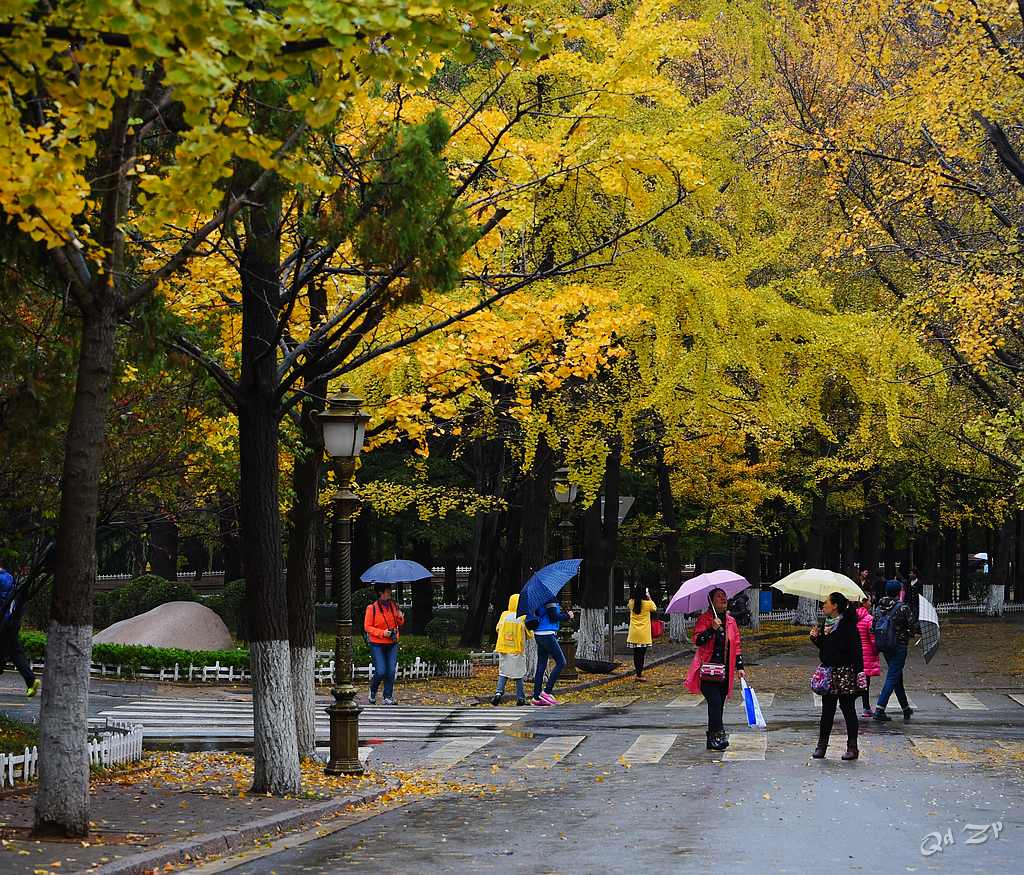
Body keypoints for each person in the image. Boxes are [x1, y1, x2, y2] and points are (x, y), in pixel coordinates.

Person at [685, 588, 744, 751]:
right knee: (715, 702)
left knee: (718, 705)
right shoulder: (705, 619)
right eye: (719, 597)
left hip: (724, 672)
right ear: (711, 601)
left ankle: (712, 739)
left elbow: (736, 645)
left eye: (724, 596)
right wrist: (711, 628)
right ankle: (719, 735)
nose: (723, 599)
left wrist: (740, 667)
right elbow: (697, 640)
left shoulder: (731, 621)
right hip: (707, 671)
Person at [810, 592, 864, 760]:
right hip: (829, 674)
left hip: (845, 673)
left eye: (826, 603)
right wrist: (816, 639)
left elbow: (857, 651)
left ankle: (852, 747)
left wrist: (859, 674)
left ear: (835, 606)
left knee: (848, 710)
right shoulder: (826, 624)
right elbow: (826, 651)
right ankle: (822, 745)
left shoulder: (847, 626)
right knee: (827, 711)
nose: (823, 605)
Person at [872, 579, 919, 721]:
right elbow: (912, 627)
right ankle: (879, 709)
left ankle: (905, 708)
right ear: (899, 592)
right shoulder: (903, 608)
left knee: (896, 677)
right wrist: (911, 633)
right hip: (899, 645)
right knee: (893, 676)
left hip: (885, 645)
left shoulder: (878, 608)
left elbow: (873, 627)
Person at [0, 561, 40, 697]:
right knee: (14, 652)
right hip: (12, 622)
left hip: (3, 623)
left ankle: (31, 680)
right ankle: (31, 681)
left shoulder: (1, 579)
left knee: (14, 653)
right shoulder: (10, 578)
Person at [363, 583, 405, 705]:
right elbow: (367, 627)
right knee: (381, 671)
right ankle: (373, 690)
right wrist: (382, 633)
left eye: (390, 590)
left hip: (392, 643)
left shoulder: (393, 606)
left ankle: (388, 696)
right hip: (377, 643)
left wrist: (400, 617)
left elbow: (399, 622)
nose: (390, 593)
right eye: (387, 591)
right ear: (380, 592)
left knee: (391, 671)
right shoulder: (372, 608)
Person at [528, 598, 572, 706]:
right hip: (547, 633)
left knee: (541, 665)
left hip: (539, 633)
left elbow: (546, 613)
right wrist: (567, 616)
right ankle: (547, 691)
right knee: (561, 662)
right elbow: (553, 617)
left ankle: (536, 696)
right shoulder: (549, 598)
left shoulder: (538, 599)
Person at [492, 593, 530, 706]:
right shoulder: (522, 617)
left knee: (503, 672)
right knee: (518, 674)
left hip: (503, 648)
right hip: (517, 649)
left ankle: (498, 693)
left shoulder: (504, 615)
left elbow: (498, 628)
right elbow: (529, 633)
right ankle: (521, 698)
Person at [626, 581, 657, 682]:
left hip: (634, 633)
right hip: (643, 634)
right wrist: (649, 597)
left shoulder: (631, 602)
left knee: (636, 654)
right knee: (641, 655)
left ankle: (637, 673)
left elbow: (629, 606)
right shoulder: (648, 604)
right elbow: (654, 608)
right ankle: (639, 674)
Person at [855, 595, 881, 719]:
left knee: (861, 680)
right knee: (865, 682)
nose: (871, 603)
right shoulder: (869, 619)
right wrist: (877, 649)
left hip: (856, 653)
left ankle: (866, 707)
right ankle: (866, 708)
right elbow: (872, 639)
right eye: (869, 600)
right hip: (867, 654)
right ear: (864, 602)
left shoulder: (853, 618)